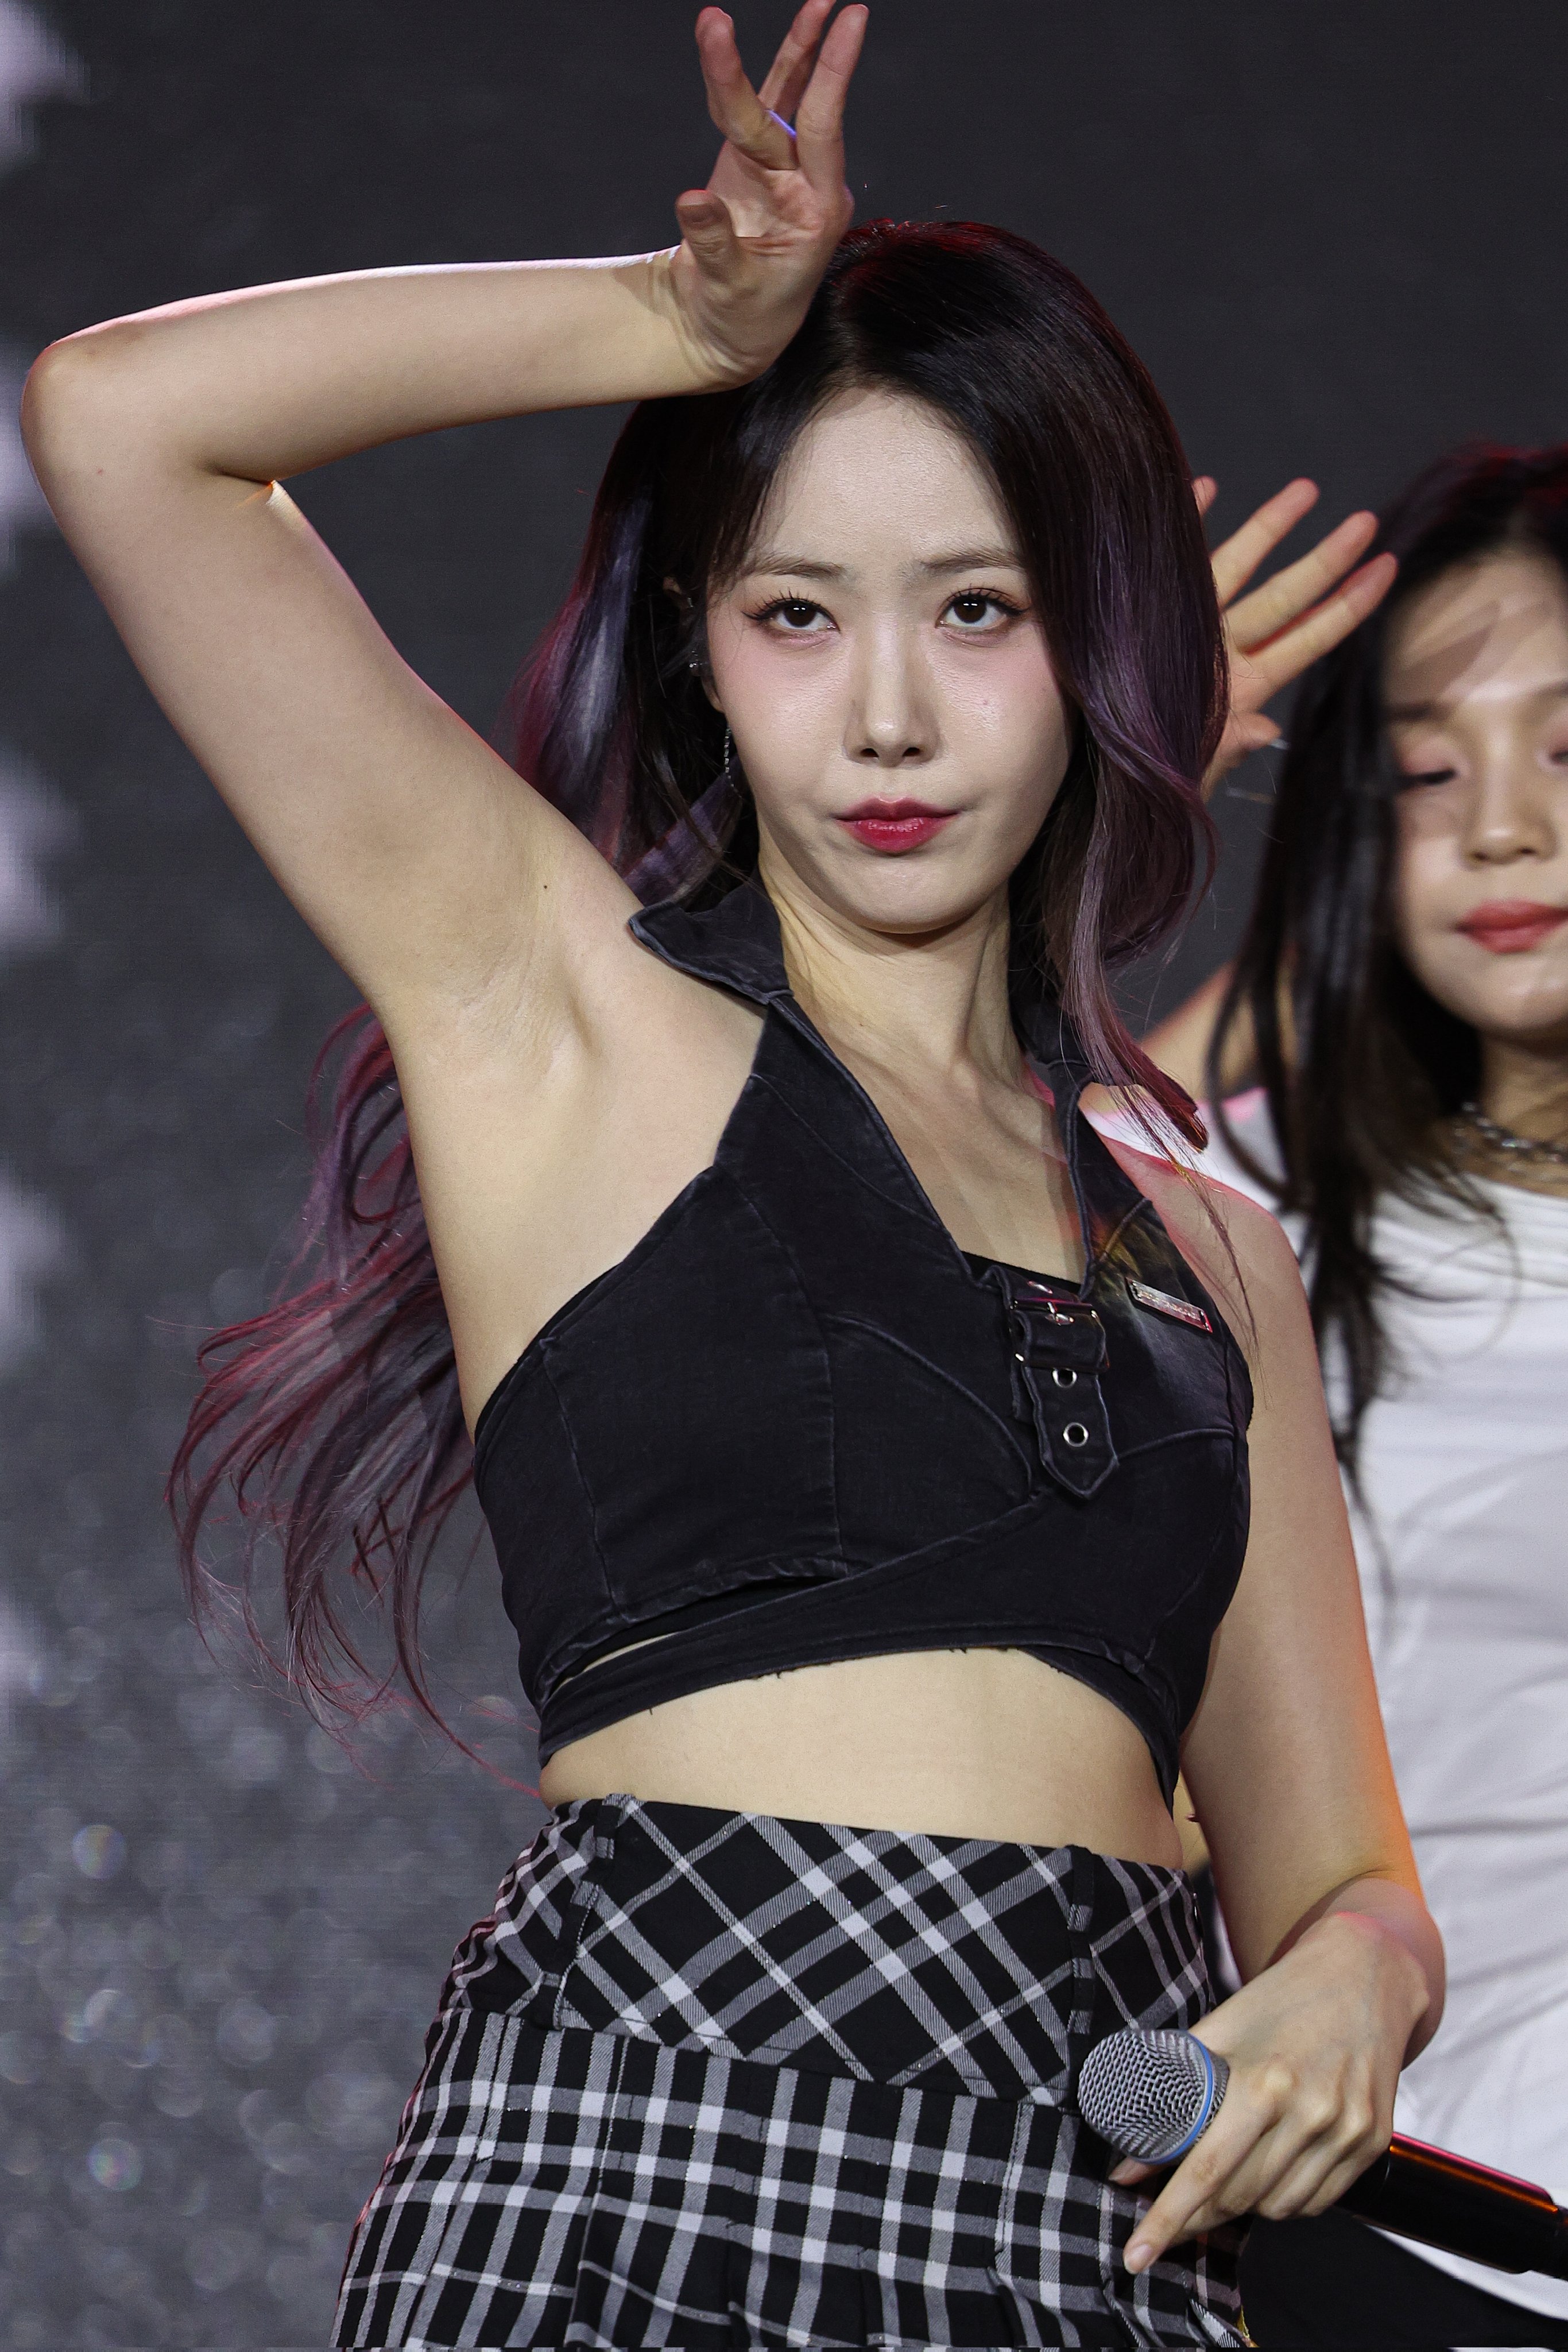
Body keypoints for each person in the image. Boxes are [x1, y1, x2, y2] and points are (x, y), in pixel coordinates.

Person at [23, 6, 1443, 2344]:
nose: (884, 712)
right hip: (647, 2164)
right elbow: (122, 418)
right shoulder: (567, 1009)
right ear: (697, 644)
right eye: (799, 611)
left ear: (1090, 640)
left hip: (1085, 2218)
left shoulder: (1209, 1255)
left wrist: (1359, 1981)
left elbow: (1341, 1883)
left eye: (975, 610)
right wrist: (669, 323)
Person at [1140, 442, 1568, 2350]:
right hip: (1378, 2224)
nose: (1501, 831)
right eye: (1420, 773)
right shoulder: (1246, 1210)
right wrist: (1122, 777)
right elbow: (918, 1284)